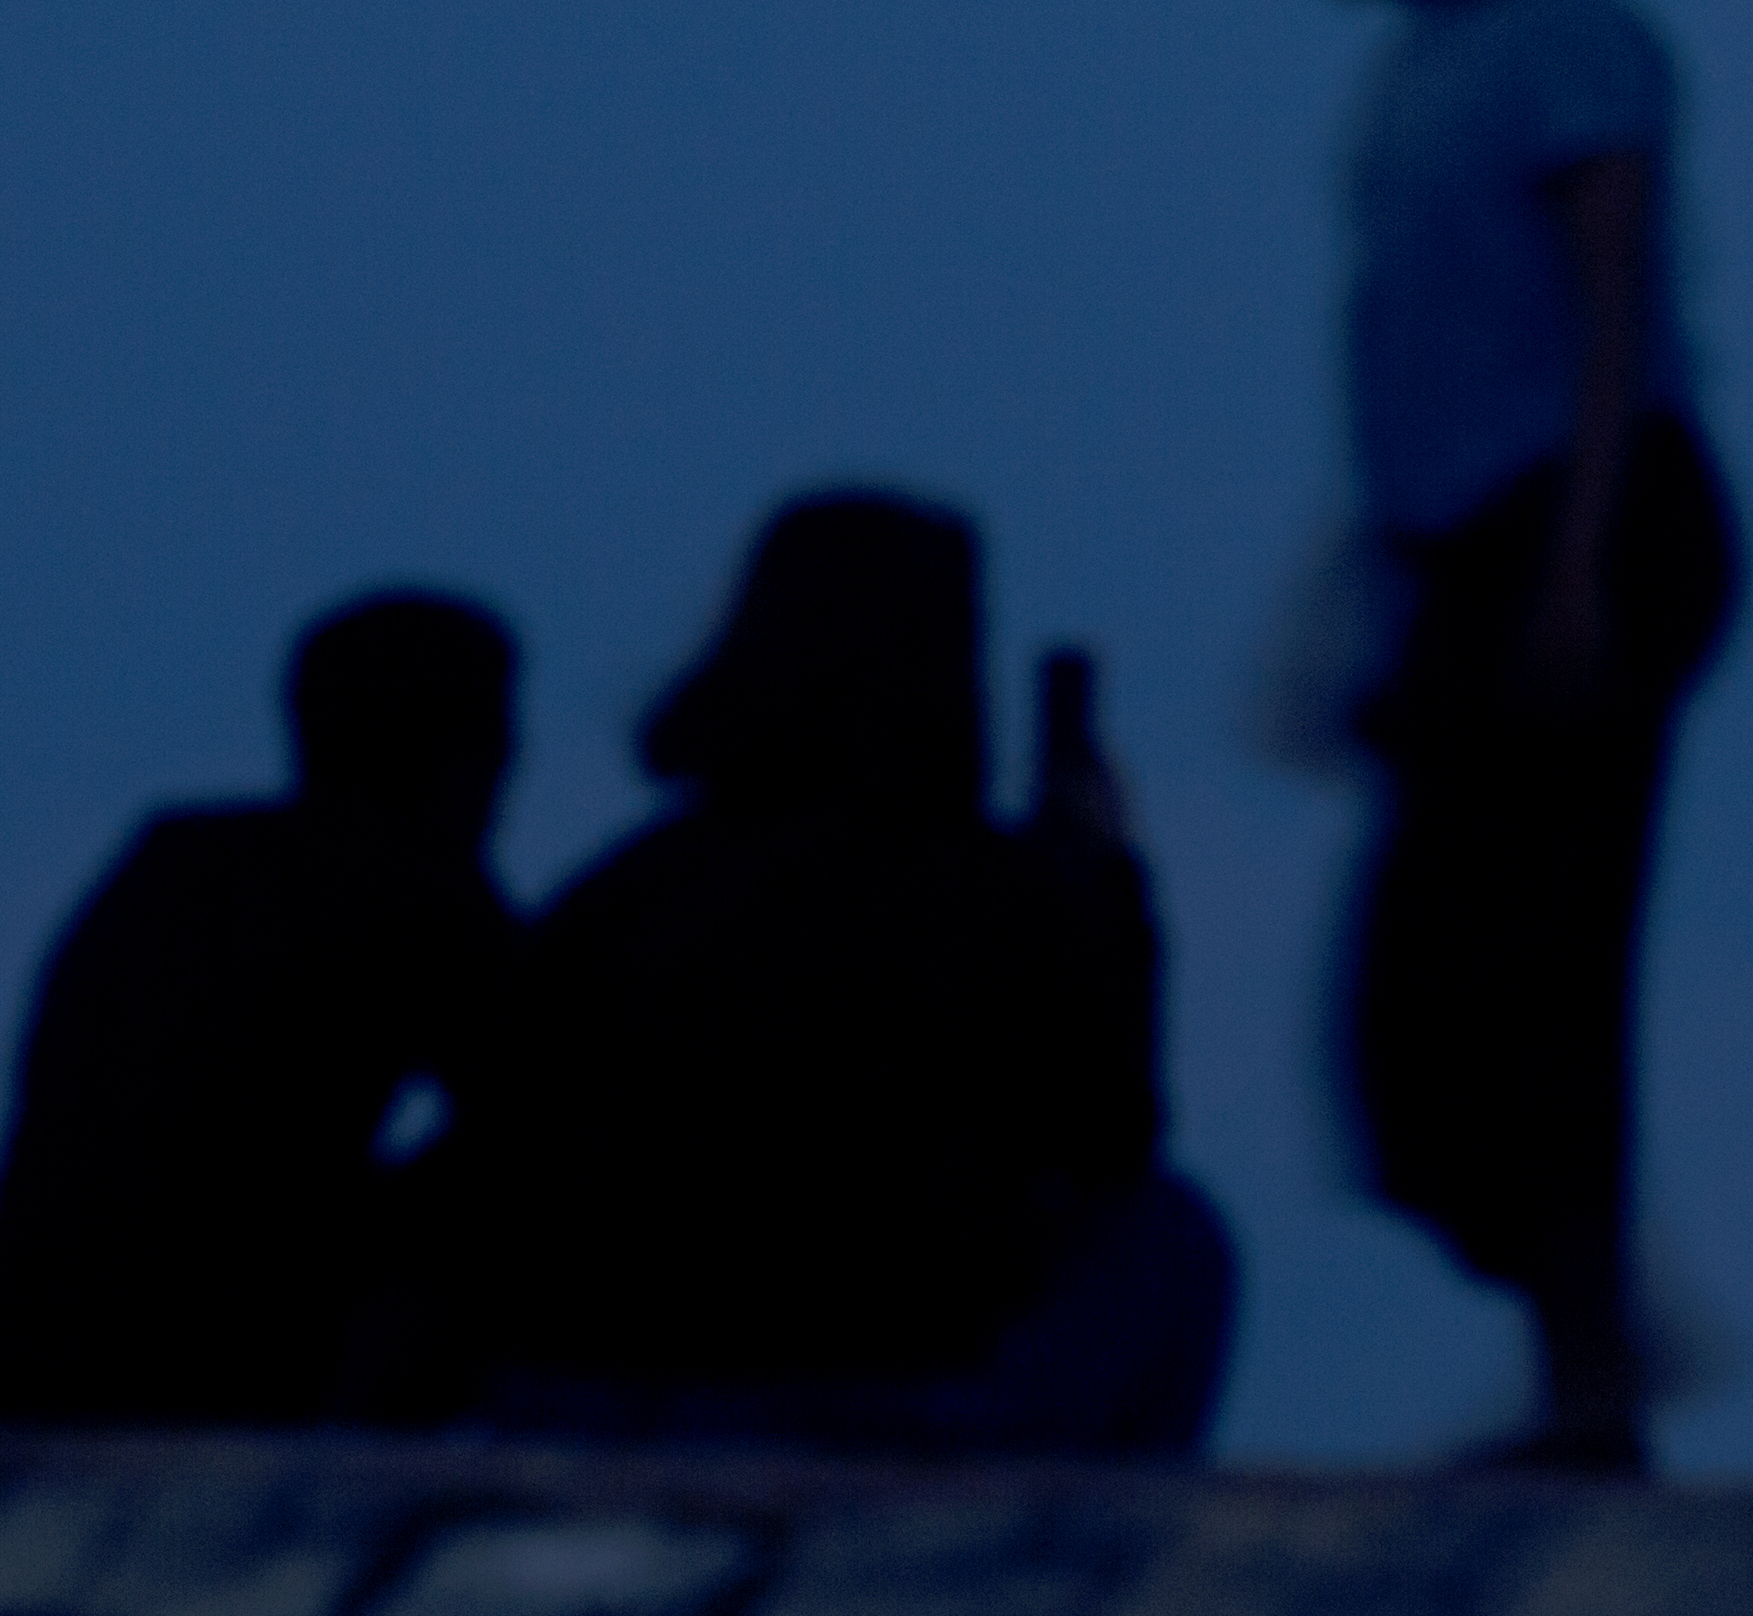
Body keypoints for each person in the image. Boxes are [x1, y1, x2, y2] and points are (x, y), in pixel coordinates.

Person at [1284, 0, 1742, 1477]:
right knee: (1422, 1008)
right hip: (1464, 547)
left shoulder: (1578, 40)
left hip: (1588, 531)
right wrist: (1361, 582)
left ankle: (1592, 1381)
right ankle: (1601, 1326)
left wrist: (1572, 569)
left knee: (1531, 970)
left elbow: (1613, 313)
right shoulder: (1432, 51)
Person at [465, 490, 1233, 1455]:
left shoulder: (628, 888)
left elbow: (496, 1122)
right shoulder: (992, 894)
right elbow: (1109, 1133)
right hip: (878, 1394)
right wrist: (1107, 910)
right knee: (1169, 1235)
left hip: (574, 1387)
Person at [0, 590, 519, 1427]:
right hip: (229, 1364)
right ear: (476, 746)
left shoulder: (172, 867)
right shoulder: (411, 888)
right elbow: (551, 1117)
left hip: (39, 1343)